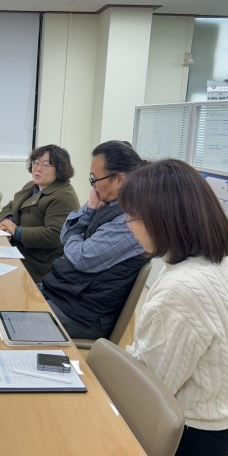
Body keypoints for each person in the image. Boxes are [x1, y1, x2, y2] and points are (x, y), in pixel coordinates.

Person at [120, 159, 228, 456]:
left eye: (132, 217)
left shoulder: (181, 289)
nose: (128, 225)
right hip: (215, 422)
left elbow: (150, 392)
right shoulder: (215, 263)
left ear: (162, 220)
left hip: (190, 436)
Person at [40, 141, 148, 339]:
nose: (94, 185)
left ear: (119, 179)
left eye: (95, 178)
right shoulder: (106, 200)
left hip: (81, 315)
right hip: (63, 294)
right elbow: (65, 234)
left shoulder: (131, 220)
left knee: (5, 316)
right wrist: (89, 209)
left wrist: (75, 239)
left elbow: (82, 257)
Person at [0, 145, 80, 283]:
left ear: (59, 169)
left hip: (39, 264)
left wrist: (15, 231)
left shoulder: (64, 196)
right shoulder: (32, 186)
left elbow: (54, 235)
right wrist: (8, 221)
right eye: (36, 163)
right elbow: (10, 206)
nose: (38, 169)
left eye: (46, 165)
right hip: (18, 250)